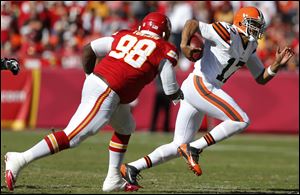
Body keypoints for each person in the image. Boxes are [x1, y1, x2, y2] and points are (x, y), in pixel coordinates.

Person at [4, 12, 183, 192]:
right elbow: (170, 89)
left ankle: (113, 178)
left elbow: (90, 48)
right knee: (72, 137)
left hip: (107, 87)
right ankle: (20, 159)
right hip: (108, 90)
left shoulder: (125, 35)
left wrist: (90, 76)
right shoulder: (164, 48)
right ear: (165, 33)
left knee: (126, 126)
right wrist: (180, 96)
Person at [120, 6, 294, 187]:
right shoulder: (226, 32)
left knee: (177, 145)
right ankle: (195, 148)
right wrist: (184, 45)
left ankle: (132, 167)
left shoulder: (250, 45)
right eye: (254, 25)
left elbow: (261, 77)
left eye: (259, 26)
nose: (258, 29)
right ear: (241, 23)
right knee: (240, 120)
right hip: (201, 85)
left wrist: (275, 65)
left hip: (199, 89)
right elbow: (192, 23)